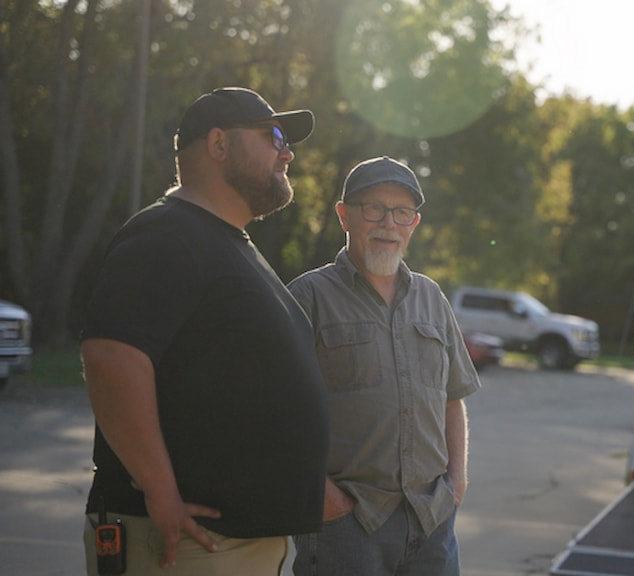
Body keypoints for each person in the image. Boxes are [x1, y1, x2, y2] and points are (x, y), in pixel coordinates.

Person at [79, 87, 329, 576]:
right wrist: (161, 491)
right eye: (273, 135)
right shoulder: (166, 234)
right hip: (182, 543)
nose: (288, 151)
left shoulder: (230, 245)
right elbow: (110, 359)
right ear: (218, 145)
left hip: (233, 545)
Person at [288, 156, 481, 576]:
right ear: (344, 216)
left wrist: (457, 484)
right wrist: (328, 502)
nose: (388, 223)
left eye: (402, 212)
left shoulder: (432, 298)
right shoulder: (307, 297)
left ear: (414, 223)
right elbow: (275, 414)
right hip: (347, 527)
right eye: (373, 208)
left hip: (433, 522)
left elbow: (452, 399)